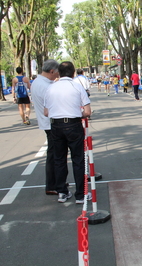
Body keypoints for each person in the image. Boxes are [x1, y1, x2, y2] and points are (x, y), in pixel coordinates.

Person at [44, 61, 92, 204]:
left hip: (56, 126)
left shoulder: (50, 88)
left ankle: (62, 192)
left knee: (59, 159)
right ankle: (80, 194)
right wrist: (79, 112)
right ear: (73, 73)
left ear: (59, 72)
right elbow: (87, 111)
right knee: (78, 159)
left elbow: (46, 112)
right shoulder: (77, 86)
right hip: (73, 125)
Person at [31, 59, 61, 195]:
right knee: (54, 155)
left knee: (55, 154)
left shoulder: (38, 82)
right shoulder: (46, 86)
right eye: (57, 73)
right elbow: (52, 106)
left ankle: (56, 181)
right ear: (51, 71)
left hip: (48, 122)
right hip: (51, 123)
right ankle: (52, 184)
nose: (58, 75)